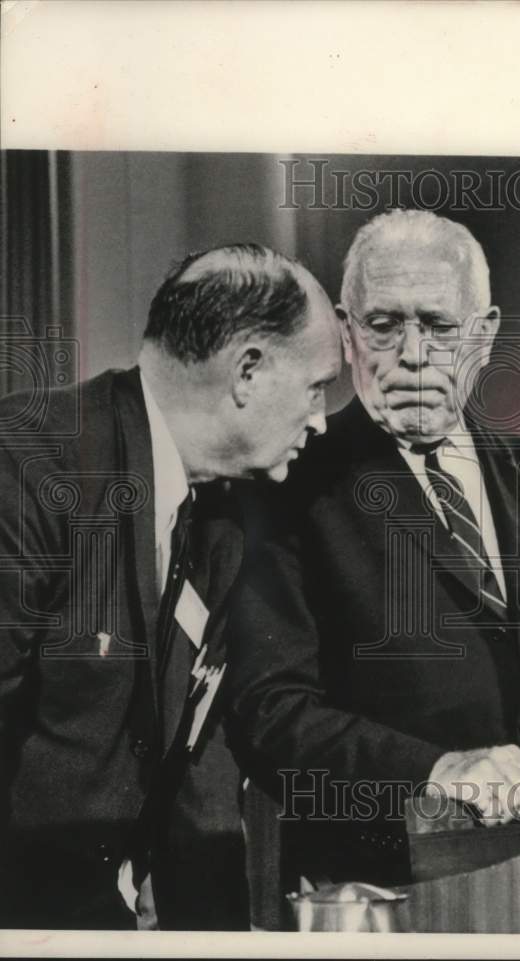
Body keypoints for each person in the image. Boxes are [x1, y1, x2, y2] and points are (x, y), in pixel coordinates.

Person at [227, 210, 520, 887]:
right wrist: (434, 768)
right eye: (385, 324)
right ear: (345, 331)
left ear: (482, 335)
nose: (414, 353)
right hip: (384, 883)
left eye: (439, 325)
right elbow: (269, 713)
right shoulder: (286, 481)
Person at [0, 244, 342, 929]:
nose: (321, 420)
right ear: (248, 370)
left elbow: (199, 772)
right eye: (317, 387)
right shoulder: (29, 464)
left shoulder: (218, 520)